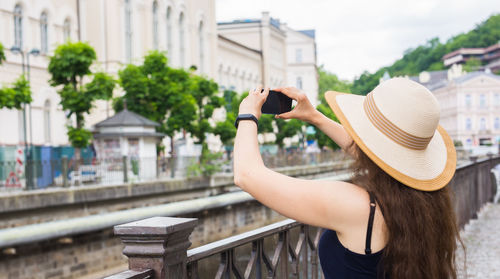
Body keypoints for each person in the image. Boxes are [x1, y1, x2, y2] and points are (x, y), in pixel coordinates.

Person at [233, 78, 461, 279]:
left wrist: (248, 115)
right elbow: (378, 157)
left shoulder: (355, 206)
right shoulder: (427, 199)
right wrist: (315, 117)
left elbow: (247, 175)